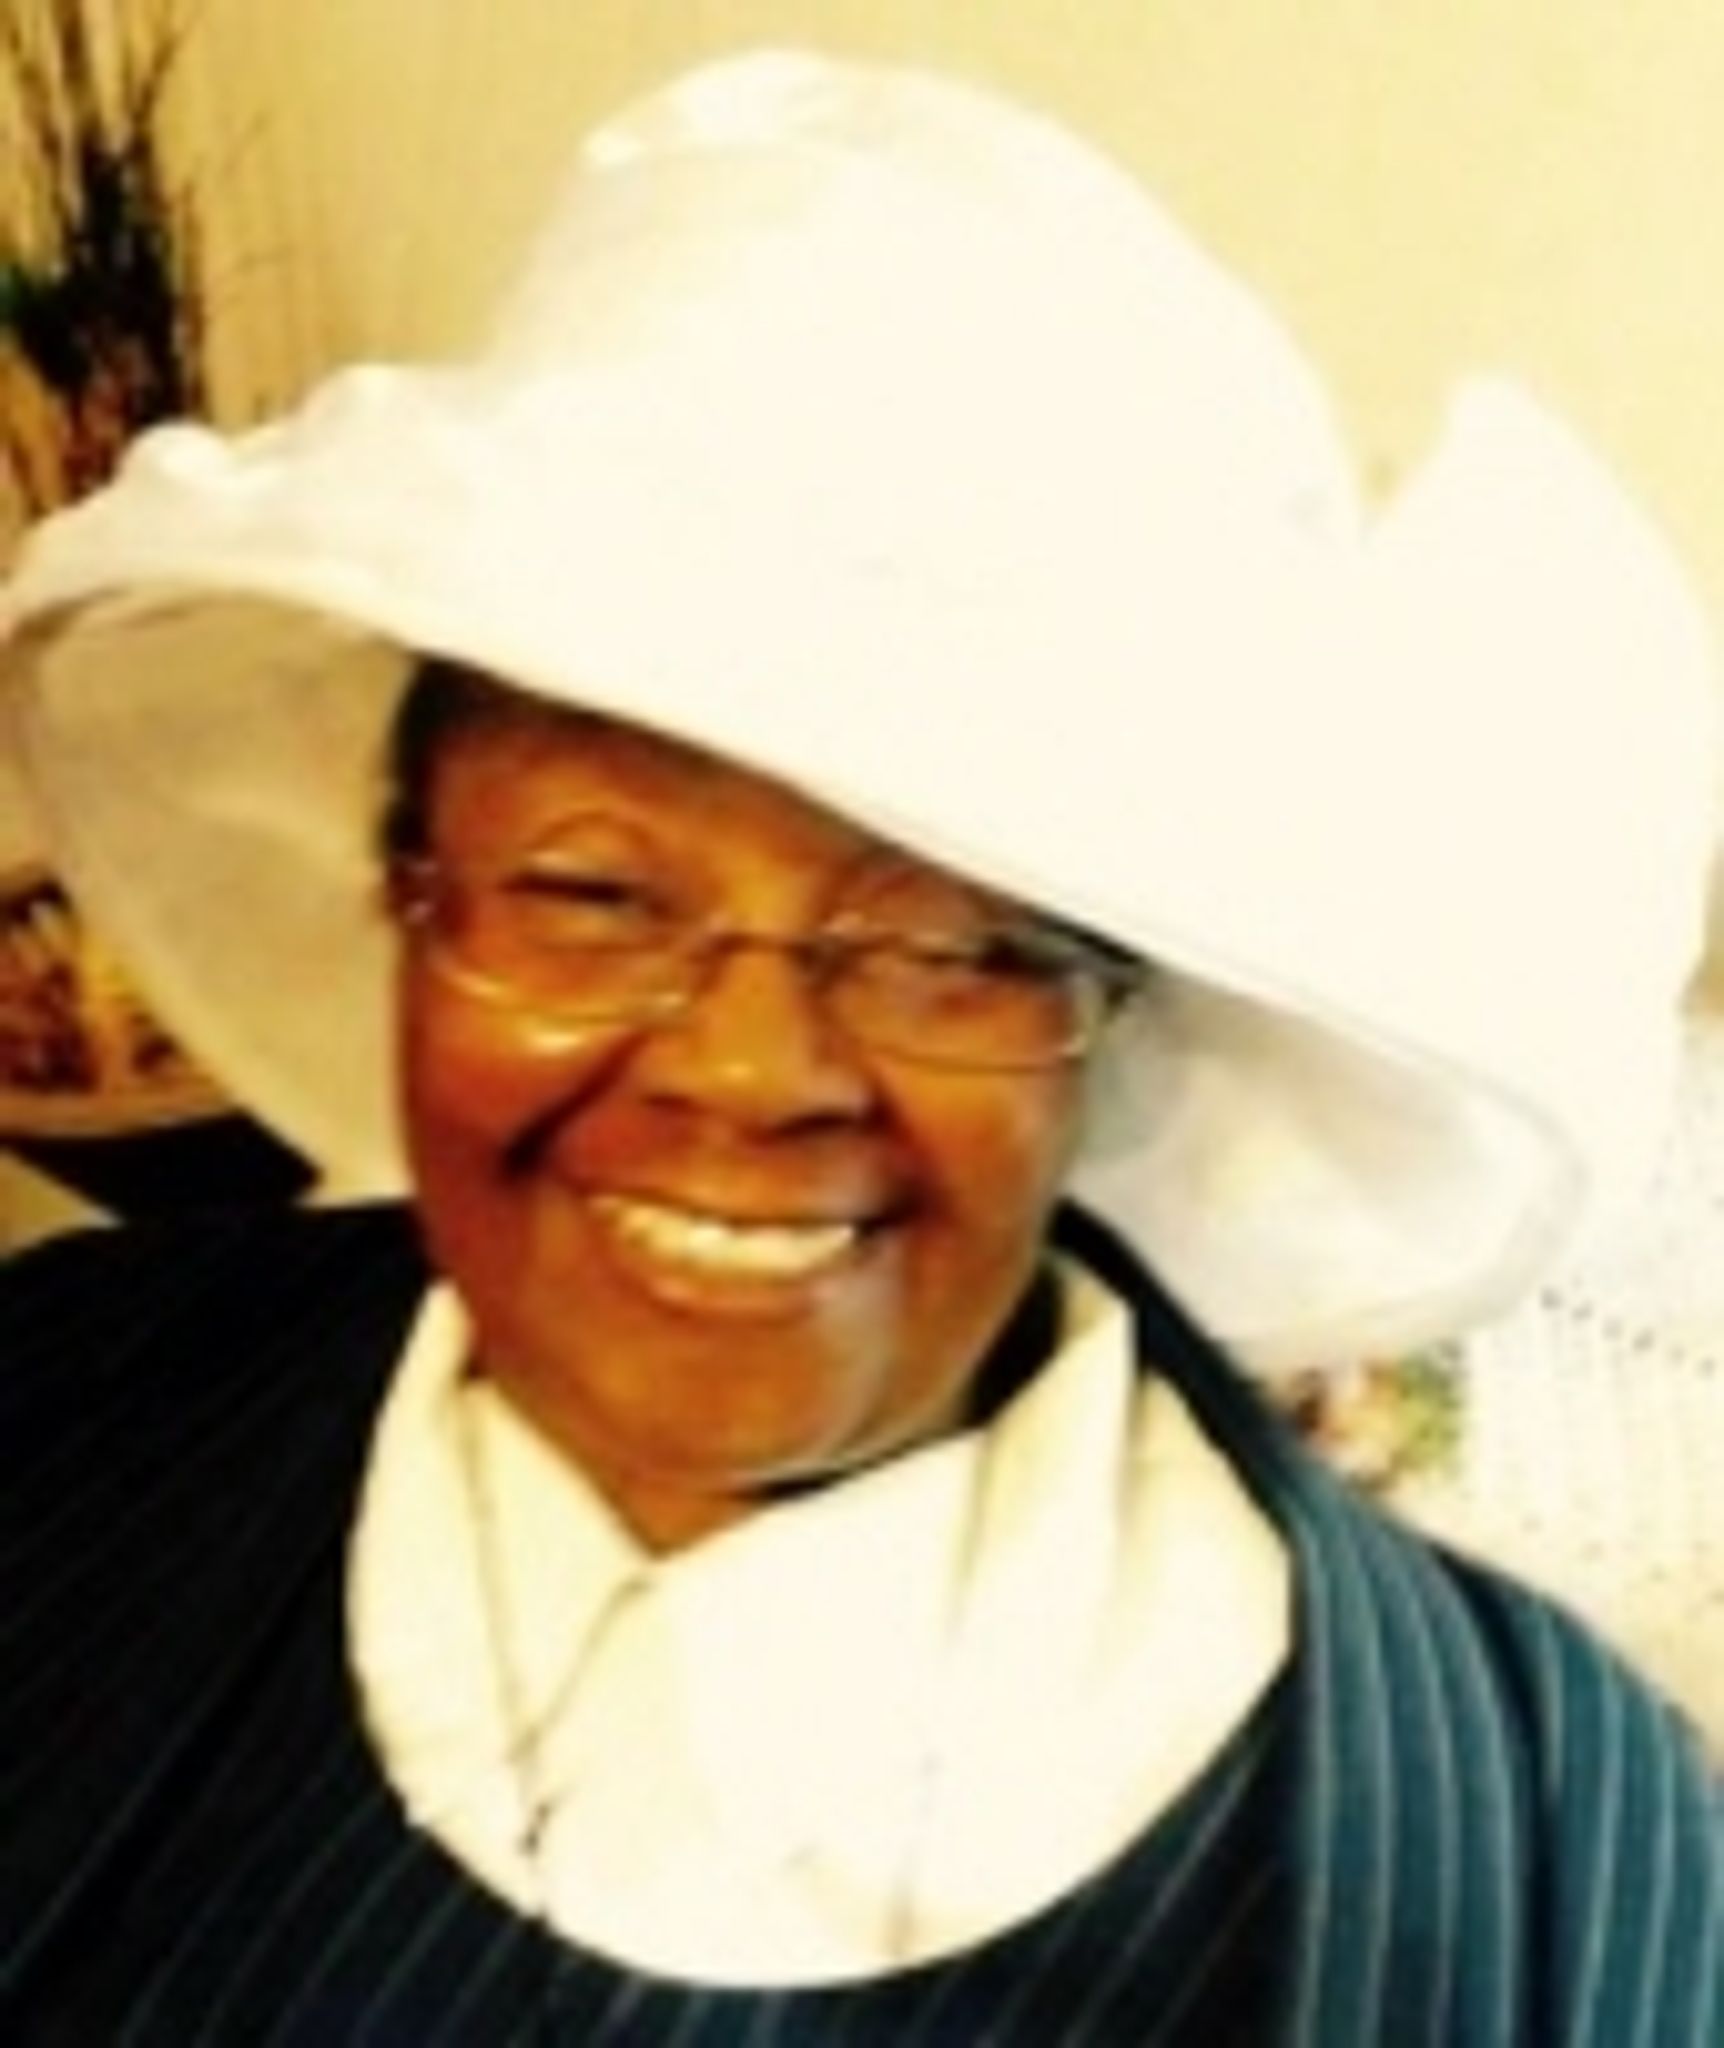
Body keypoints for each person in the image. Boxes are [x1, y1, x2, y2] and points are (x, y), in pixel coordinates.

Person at [1, 49, 1720, 2046]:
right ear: (406, 896)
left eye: (942, 943)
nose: (748, 1069)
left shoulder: (1538, 1882)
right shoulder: (65, 1406)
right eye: (592, 892)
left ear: (1110, 1008)